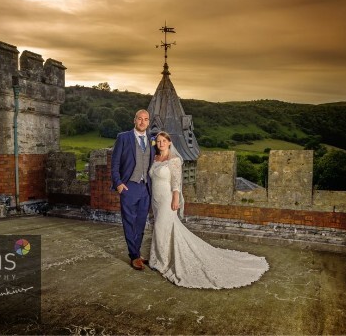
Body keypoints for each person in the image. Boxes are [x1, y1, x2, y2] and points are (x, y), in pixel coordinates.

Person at [149, 131, 269, 289]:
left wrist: (176, 198)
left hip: (167, 199)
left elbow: (177, 182)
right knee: (164, 229)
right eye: (158, 141)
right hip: (155, 200)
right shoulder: (156, 159)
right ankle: (159, 258)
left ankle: (162, 262)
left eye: (164, 141)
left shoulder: (174, 160)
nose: (161, 143)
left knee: (160, 227)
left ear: (170, 142)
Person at [111, 109, 156, 270]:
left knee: (141, 222)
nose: (142, 122)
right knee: (129, 222)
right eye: (139, 119)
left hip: (145, 188)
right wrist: (118, 184)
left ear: (149, 122)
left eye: (146, 119)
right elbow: (115, 163)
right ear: (134, 120)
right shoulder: (123, 137)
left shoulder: (152, 140)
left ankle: (137, 252)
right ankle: (134, 256)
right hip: (129, 187)